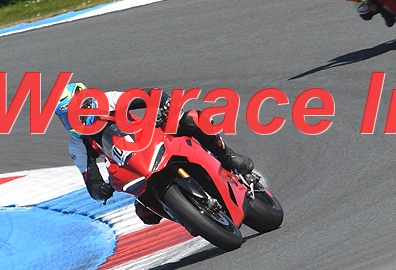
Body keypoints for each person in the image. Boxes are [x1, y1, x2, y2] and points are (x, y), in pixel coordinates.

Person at [54, 82, 254, 224]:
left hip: (154, 136)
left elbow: (149, 95)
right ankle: (187, 215)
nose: (73, 122)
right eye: (66, 119)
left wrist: (165, 105)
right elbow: (91, 180)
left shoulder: (109, 100)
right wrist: (101, 190)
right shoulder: (78, 144)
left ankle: (228, 157)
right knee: (146, 215)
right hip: (135, 165)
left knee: (192, 120)